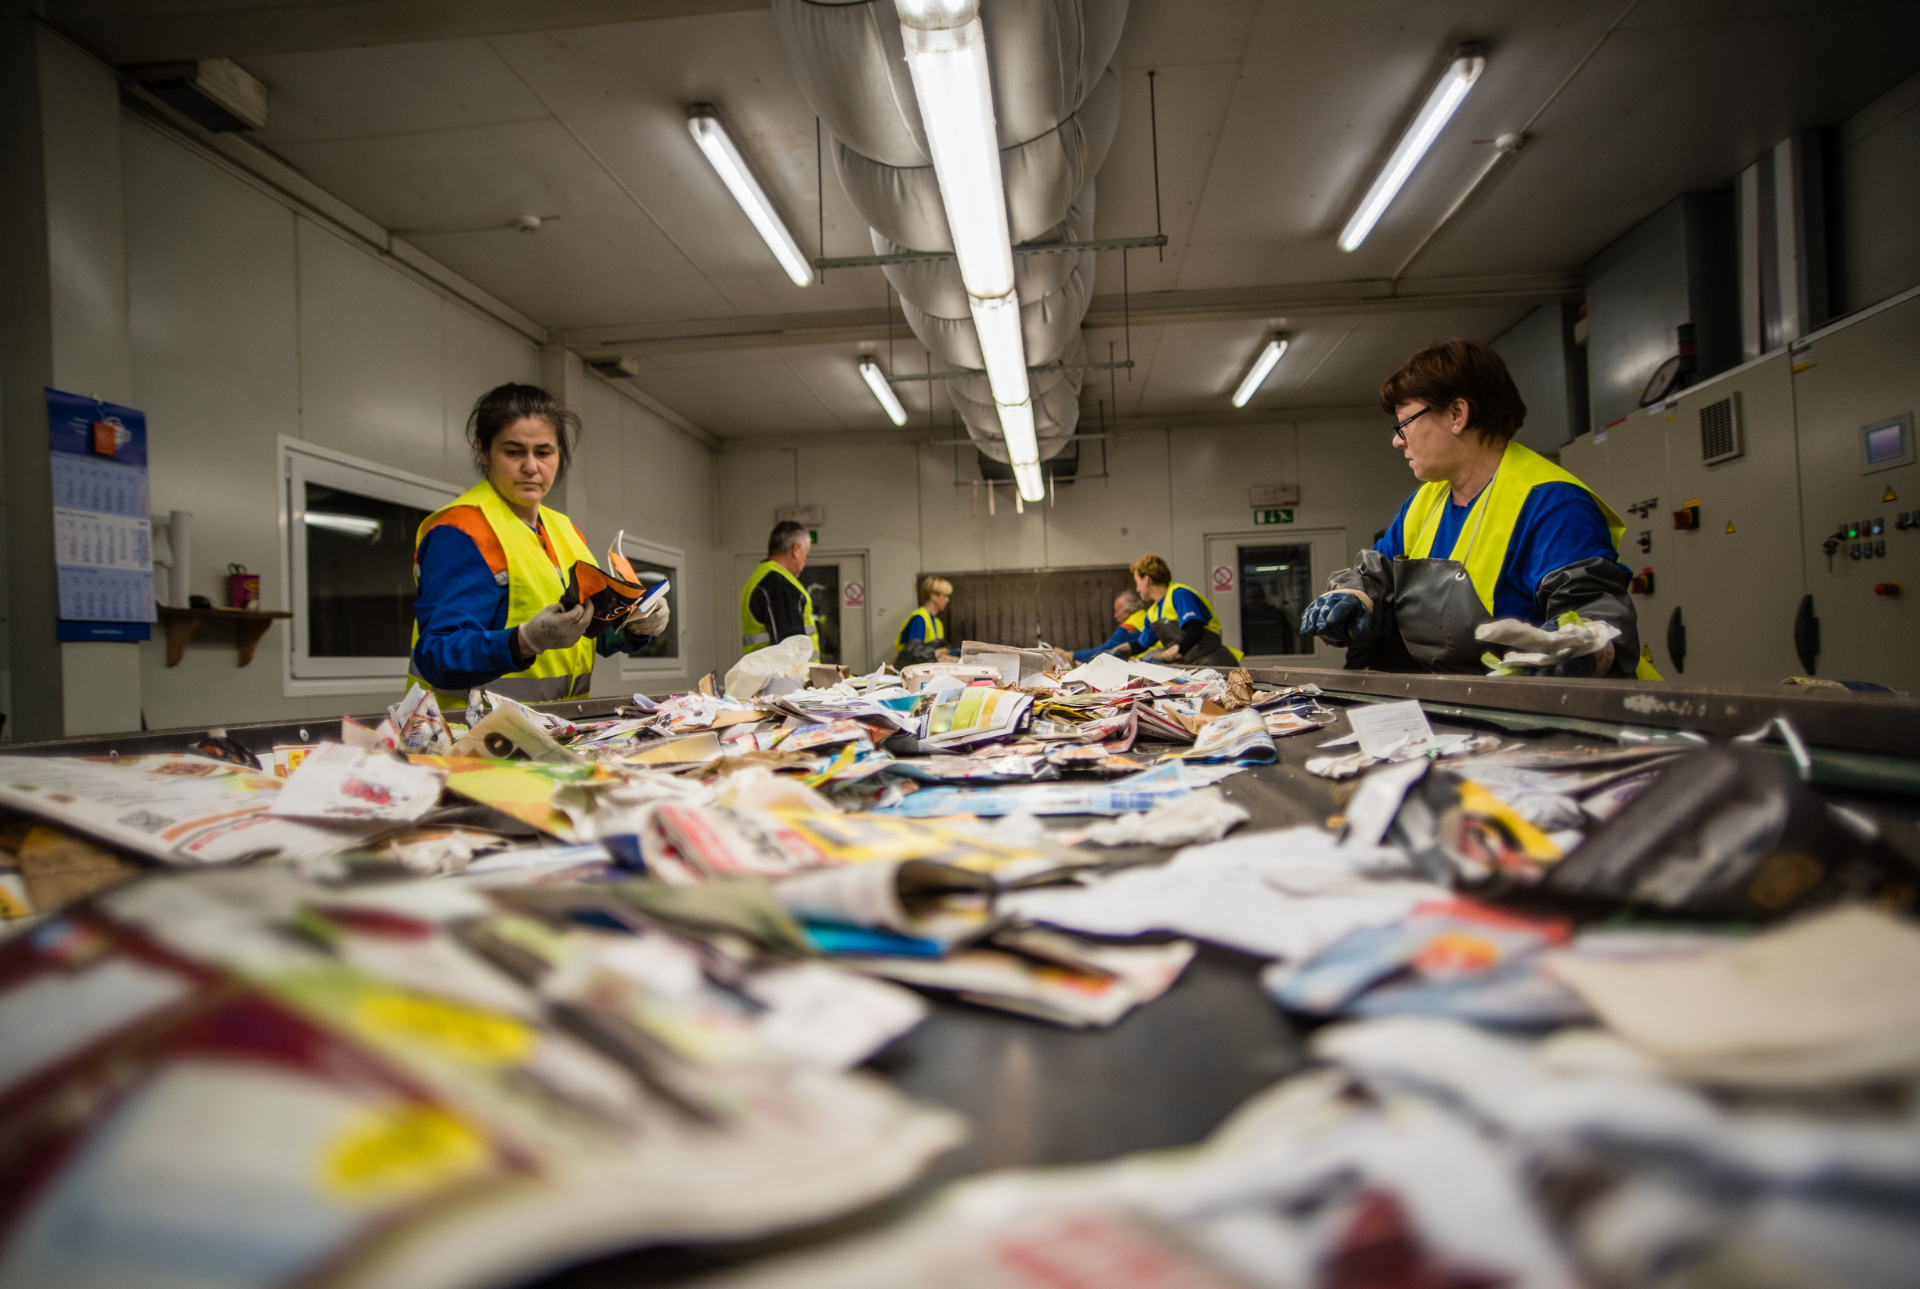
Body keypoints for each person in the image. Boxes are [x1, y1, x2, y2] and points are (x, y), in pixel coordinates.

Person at [1298, 338, 1654, 679]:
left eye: (1404, 424)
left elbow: (1598, 620)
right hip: (1480, 705)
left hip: (1573, 713)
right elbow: (1377, 577)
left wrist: (1577, 650)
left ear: (1457, 413)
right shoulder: (1426, 503)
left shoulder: (1552, 505)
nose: (1397, 440)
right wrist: (1354, 596)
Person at [409, 383, 668, 704]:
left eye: (544, 452)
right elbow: (436, 655)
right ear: (483, 451)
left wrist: (635, 625)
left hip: (554, 726)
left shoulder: (565, 530)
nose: (531, 467)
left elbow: (587, 632)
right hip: (474, 731)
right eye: (513, 452)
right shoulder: (461, 530)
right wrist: (525, 641)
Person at [1128, 555, 1243, 666]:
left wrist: (1169, 653)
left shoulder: (1180, 595)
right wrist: (1122, 650)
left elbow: (1195, 630)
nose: (1137, 589)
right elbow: (1141, 645)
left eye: (1137, 582)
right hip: (1193, 666)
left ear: (1147, 579)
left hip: (1215, 662)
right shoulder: (1152, 613)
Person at [739, 521, 820, 658]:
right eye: (805, 556)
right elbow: (789, 649)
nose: (803, 565)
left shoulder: (760, 577)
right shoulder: (779, 583)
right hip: (779, 672)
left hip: (762, 669)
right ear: (796, 549)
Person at [1055, 590, 1147, 665]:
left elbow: (1103, 651)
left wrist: (1071, 656)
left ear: (1127, 612)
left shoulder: (1127, 628)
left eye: (1117, 611)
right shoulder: (1146, 616)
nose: (1115, 616)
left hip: (1144, 664)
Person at [894, 576, 952, 667]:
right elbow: (914, 651)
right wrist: (936, 653)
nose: (947, 600)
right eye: (945, 596)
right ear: (933, 596)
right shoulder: (919, 619)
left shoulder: (937, 623)